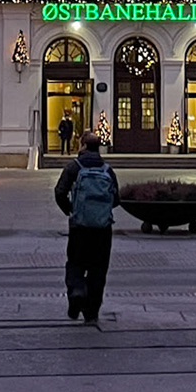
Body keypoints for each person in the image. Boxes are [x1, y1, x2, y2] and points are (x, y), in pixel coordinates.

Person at [54, 134, 118, 325]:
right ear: (98, 147)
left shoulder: (74, 167)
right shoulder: (107, 169)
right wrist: (101, 210)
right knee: (99, 270)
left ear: (82, 146)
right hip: (102, 229)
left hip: (79, 227)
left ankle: (77, 292)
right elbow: (116, 199)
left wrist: (71, 210)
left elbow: (59, 192)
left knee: (75, 263)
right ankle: (91, 312)